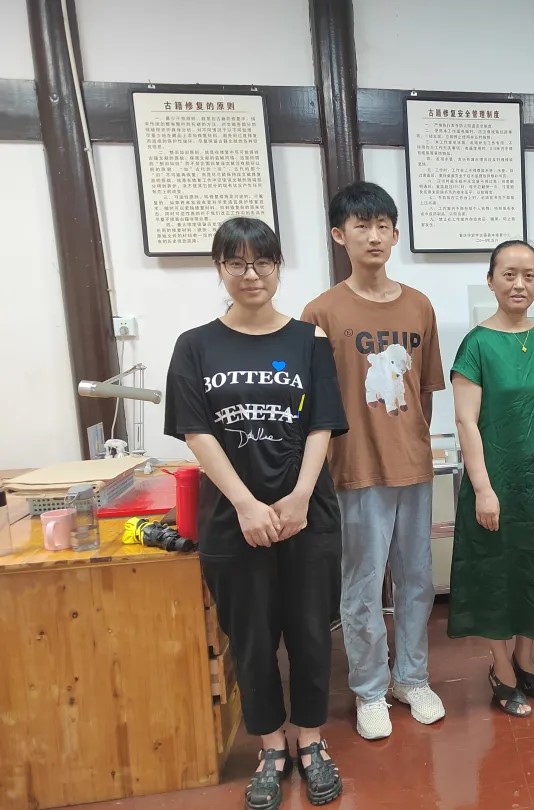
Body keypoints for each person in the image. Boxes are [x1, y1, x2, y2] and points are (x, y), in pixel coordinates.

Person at [164, 217, 347, 809]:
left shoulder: (309, 340)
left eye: (262, 262)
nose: (251, 274)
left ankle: (311, 742)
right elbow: (195, 431)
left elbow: (322, 424)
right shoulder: (195, 345)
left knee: (311, 632)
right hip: (231, 519)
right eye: (236, 263)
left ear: (277, 267)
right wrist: (245, 504)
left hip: (307, 514)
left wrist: (299, 497)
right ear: (219, 268)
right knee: (251, 637)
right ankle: (271, 747)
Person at [301, 182, 446, 740]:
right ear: (340, 236)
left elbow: (424, 390)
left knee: (417, 581)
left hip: (413, 466)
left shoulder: (419, 306)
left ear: (396, 234)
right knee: (362, 586)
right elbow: (313, 401)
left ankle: (412, 678)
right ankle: (368, 689)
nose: (374, 236)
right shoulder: (321, 311)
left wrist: (414, 443)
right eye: (361, 226)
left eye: (383, 225)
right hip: (354, 469)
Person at [448, 240, 534, 717]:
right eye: (509, 274)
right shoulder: (477, 345)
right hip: (498, 485)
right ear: (491, 281)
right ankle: (501, 669)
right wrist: (483, 488)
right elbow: (466, 422)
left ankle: (527, 661)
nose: (519, 284)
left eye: (529, 275)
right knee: (497, 575)